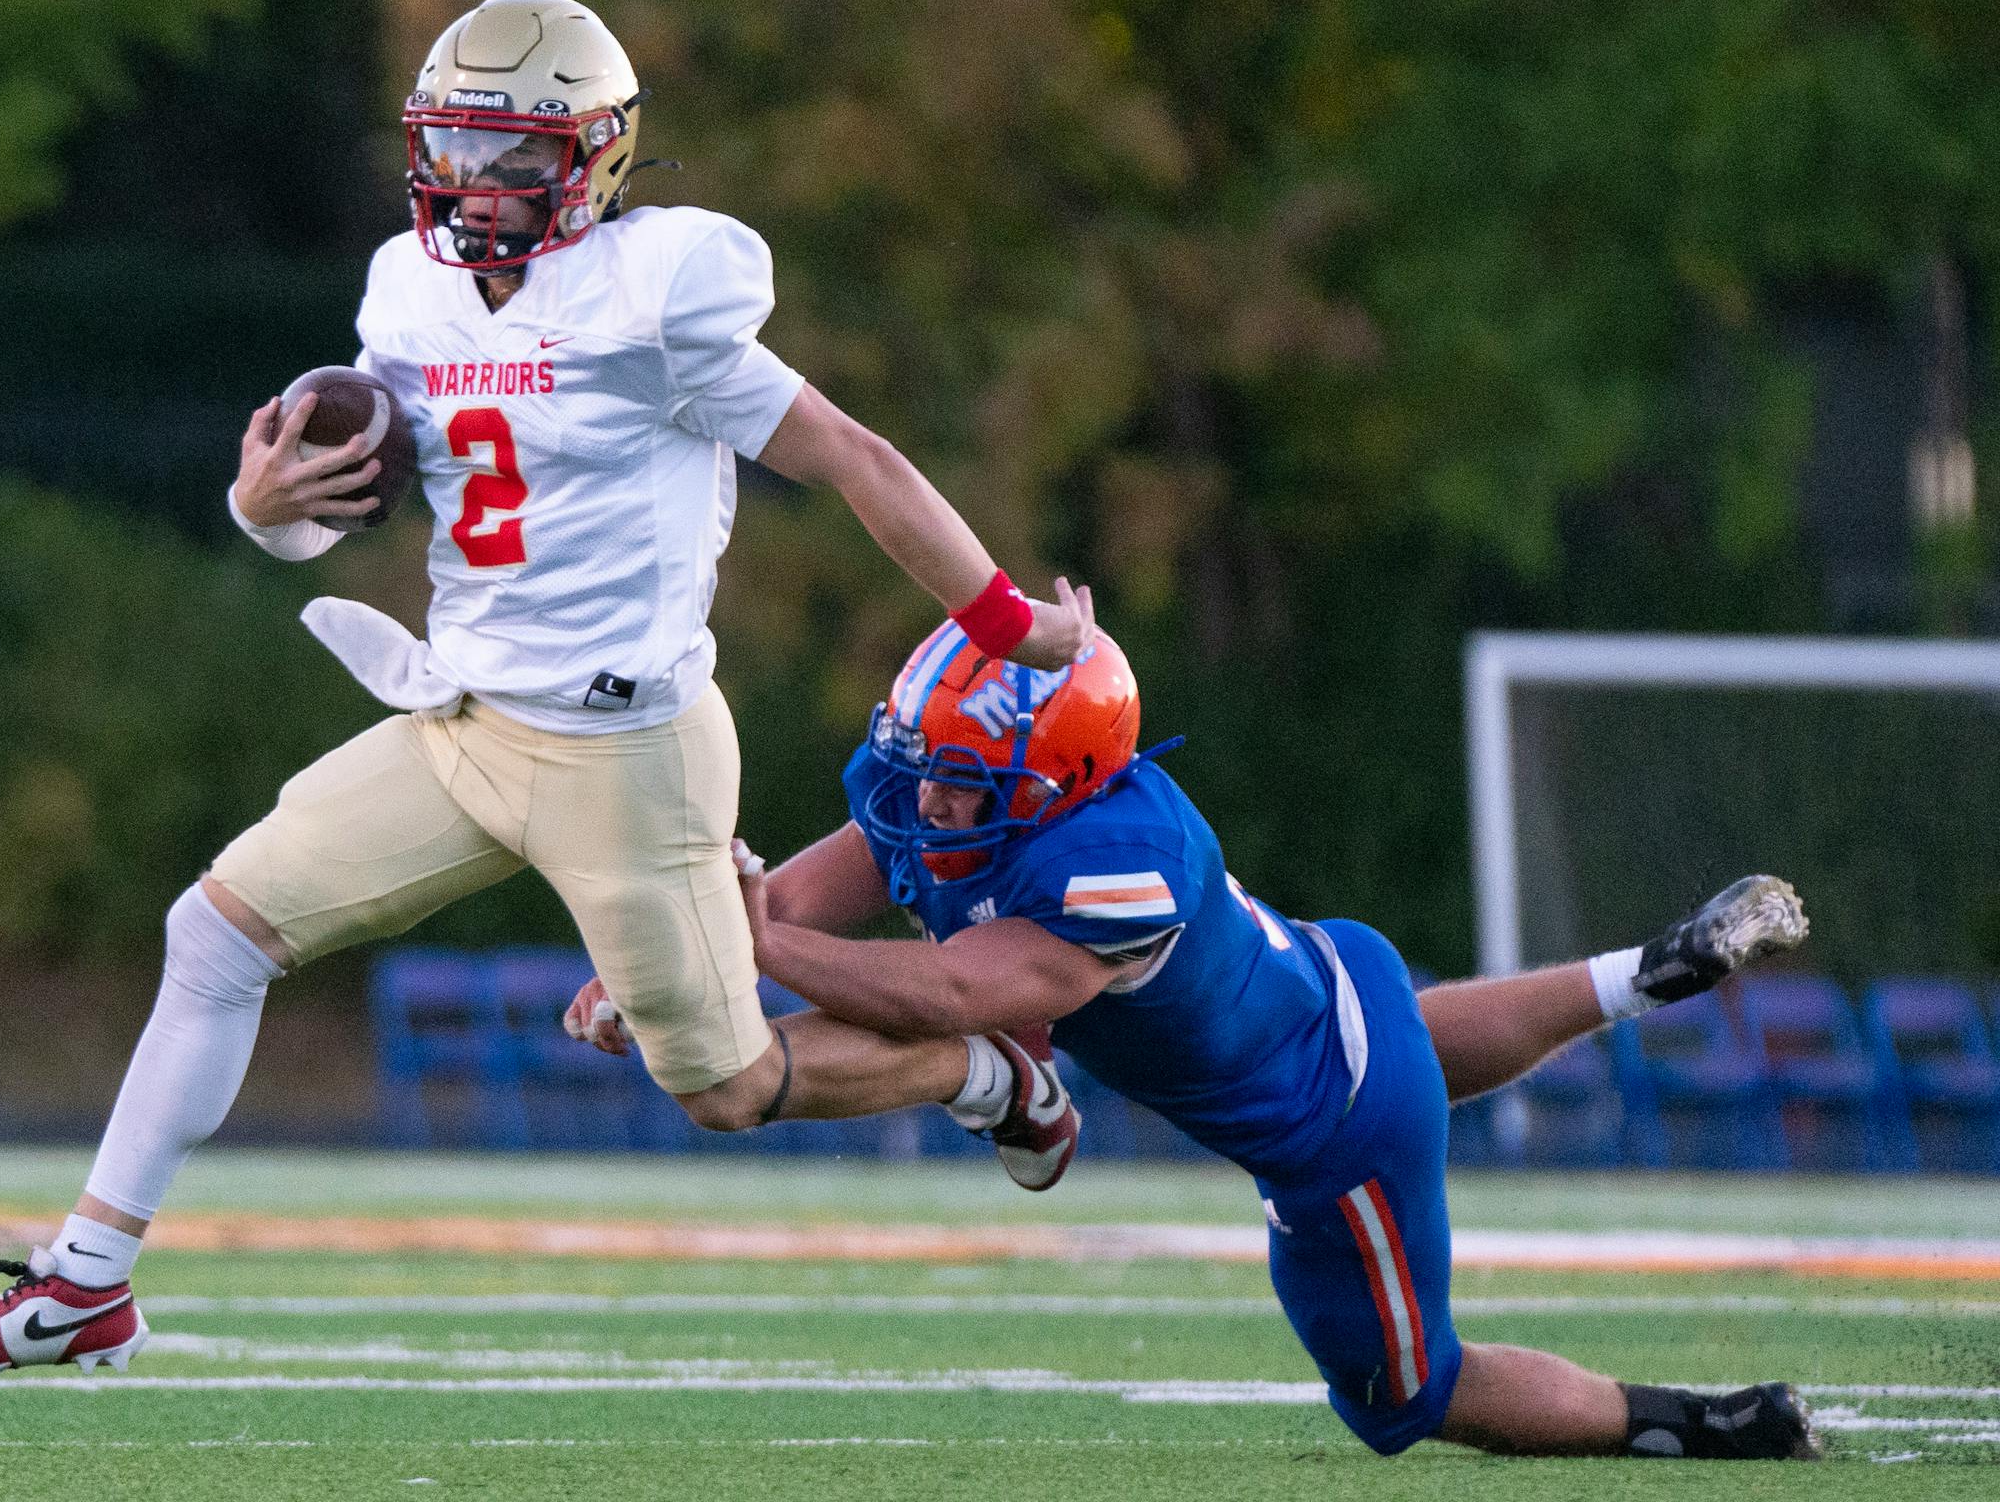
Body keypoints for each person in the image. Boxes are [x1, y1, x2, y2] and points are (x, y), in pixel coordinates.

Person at [0, 0, 1095, 1382]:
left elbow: (853, 459)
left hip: (626, 754)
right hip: (461, 725)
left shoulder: (658, 296)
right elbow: (328, 510)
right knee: (215, 931)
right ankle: (86, 1284)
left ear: (596, 159)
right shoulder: (405, 287)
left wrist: (1011, 624)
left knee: (725, 1087)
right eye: (457, 148)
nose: (478, 185)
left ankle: (989, 1076)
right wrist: (258, 503)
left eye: (516, 155)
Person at [569, 623, 1822, 1461]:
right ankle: (1648, 972)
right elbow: (781, 904)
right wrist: (653, 967)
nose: (919, 798)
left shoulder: (1112, 864)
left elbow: (952, 989)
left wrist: (753, 950)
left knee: (1410, 1395)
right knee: (1408, 1049)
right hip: (1351, 984)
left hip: (1337, 1139)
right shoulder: (966, 791)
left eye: (954, 776)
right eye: (921, 760)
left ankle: (1693, 1428)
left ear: (1052, 778)